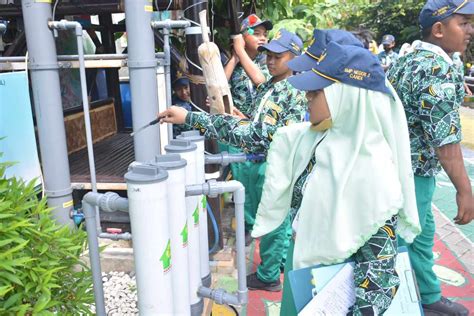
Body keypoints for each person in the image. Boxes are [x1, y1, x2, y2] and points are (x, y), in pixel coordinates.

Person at [252, 41, 421, 315]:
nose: (306, 98)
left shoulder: (374, 174)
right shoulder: (323, 139)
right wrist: (190, 118)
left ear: (346, 98)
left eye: (315, 93)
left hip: (331, 297)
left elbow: (379, 286)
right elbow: (258, 134)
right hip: (306, 279)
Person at [159, 29, 306, 291]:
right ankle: (274, 265)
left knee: (275, 224)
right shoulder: (273, 86)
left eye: (278, 56)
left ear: (295, 58)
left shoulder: (290, 91)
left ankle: (269, 275)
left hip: (276, 164)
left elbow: (259, 135)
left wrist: (192, 118)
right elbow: (256, 122)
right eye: (268, 55)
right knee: (271, 221)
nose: (270, 61)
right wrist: (231, 115)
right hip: (268, 162)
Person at [387, 0, 474, 315]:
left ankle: (428, 295)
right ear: (439, 29)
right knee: (403, 240)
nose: (470, 31)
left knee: (419, 237)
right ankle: (397, 304)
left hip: (401, 168)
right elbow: (446, 142)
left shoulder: (408, 59)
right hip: (414, 174)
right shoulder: (435, 68)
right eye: (463, 23)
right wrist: (465, 191)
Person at [224, 14, 273, 117]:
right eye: (256, 34)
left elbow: (260, 82)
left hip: (260, 121)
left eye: (265, 35)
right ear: (242, 39)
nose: (263, 38)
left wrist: (240, 50)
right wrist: (234, 58)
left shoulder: (267, 61)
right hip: (236, 120)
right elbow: (220, 87)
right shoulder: (232, 64)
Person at [171, 70, 192, 137]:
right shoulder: (179, 106)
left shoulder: (197, 98)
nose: (183, 92)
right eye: (178, 89)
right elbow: (194, 122)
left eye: (186, 87)